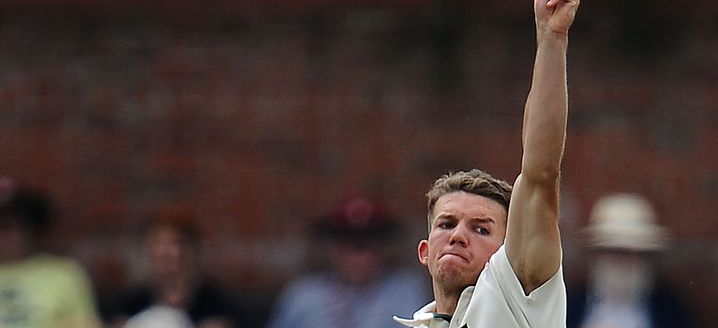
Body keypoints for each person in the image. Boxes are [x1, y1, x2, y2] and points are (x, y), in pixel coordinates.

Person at [394, 0, 579, 328]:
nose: (458, 237)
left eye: (481, 229)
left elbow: (540, 171)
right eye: (446, 224)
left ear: (508, 249)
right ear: (425, 251)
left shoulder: (515, 288)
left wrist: (551, 38)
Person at [266, 196, 430, 328]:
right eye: (346, 245)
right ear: (331, 248)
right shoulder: (303, 295)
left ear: (382, 249)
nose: (355, 257)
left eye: (364, 246)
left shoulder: (404, 291)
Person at [566, 193, 693, 328]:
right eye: (616, 252)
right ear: (596, 256)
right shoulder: (568, 307)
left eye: (636, 254)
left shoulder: (671, 312)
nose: (626, 264)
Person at [104, 209, 245, 328]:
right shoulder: (131, 306)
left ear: (192, 250)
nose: (166, 252)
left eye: (176, 243)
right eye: (158, 244)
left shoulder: (216, 307)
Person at [0, 175, 102, 328]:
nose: (8, 234)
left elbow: (85, 324)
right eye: (2, 225)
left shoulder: (63, 274)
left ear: (32, 226)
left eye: (17, 224)